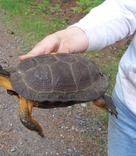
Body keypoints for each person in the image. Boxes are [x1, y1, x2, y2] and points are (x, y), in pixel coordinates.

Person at [19, 0, 136, 156]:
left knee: (100, 99)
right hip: (127, 106)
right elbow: (126, 8)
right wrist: (69, 36)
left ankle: (100, 98)